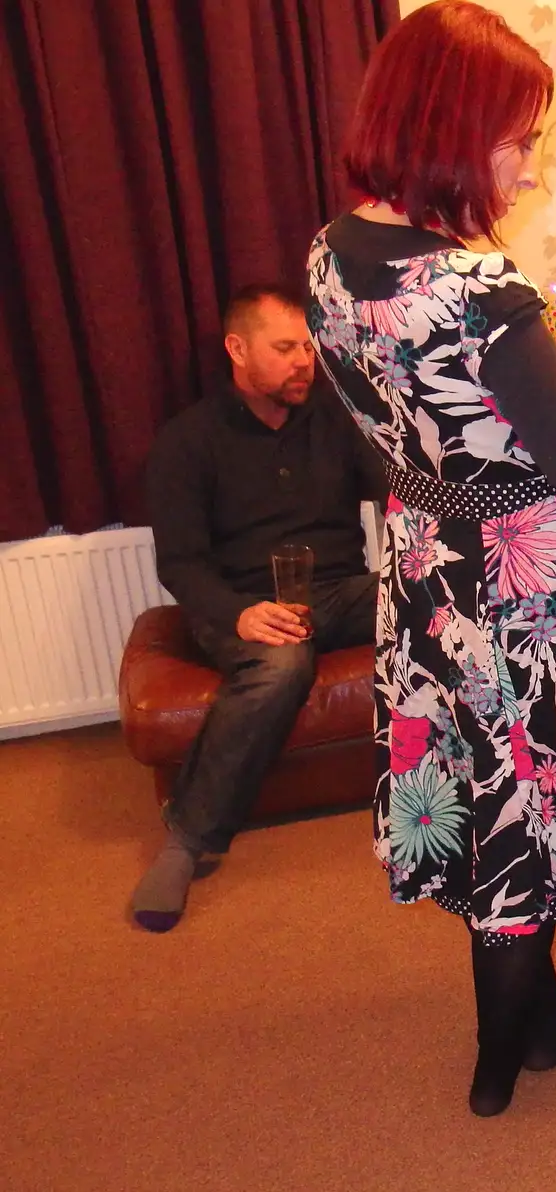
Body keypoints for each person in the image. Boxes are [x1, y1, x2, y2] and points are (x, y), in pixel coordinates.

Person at [306, 0, 556, 1118]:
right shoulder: (482, 292)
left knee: (491, 782)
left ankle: (541, 1018)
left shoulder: (329, 258)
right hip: (526, 584)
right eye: (519, 139)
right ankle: (503, 1052)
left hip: (428, 560)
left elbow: (386, 414)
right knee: (522, 798)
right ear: (451, 130)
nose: (530, 165)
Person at [131, 283, 386, 934]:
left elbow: (394, 485)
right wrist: (240, 614)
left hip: (338, 589)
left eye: (307, 346)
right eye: (285, 348)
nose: (304, 361)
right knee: (282, 666)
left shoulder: (333, 419)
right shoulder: (187, 442)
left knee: (440, 607)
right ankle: (187, 840)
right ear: (238, 349)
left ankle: (473, 784)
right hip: (243, 604)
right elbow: (179, 563)